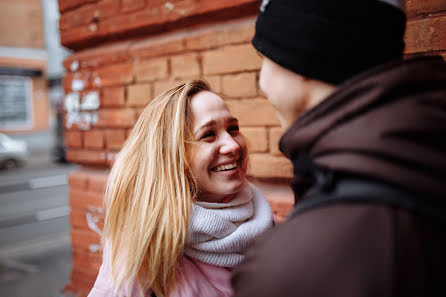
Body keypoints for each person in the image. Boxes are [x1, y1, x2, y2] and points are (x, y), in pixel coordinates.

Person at [232, 0, 446, 296]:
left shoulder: (290, 268)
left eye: (263, 57)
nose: (262, 80)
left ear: (299, 57)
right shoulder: (424, 160)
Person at [88, 80, 273, 297]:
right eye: (208, 135)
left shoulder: (261, 217)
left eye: (233, 129)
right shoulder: (146, 243)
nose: (232, 145)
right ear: (173, 156)